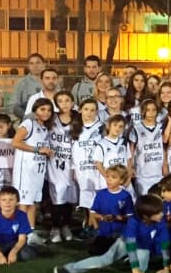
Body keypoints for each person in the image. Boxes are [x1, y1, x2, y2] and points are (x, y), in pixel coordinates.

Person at [54, 194, 170, 273]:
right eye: (158, 212)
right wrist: (135, 269)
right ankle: (69, 269)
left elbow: (164, 243)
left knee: (142, 270)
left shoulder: (161, 221)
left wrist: (166, 267)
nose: (162, 214)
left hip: (143, 247)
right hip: (126, 242)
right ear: (146, 215)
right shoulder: (133, 222)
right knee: (106, 259)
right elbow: (131, 244)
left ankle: (129, 260)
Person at [12, 98, 54, 245]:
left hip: (37, 171)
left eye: (49, 110)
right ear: (35, 110)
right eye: (42, 109)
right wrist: (37, 149)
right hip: (26, 170)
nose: (46, 113)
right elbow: (16, 142)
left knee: (32, 203)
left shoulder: (44, 128)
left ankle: (30, 232)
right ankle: (20, 234)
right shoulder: (29, 123)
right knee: (23, 203)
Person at [47, 92, 77, 243]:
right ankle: (55, 227)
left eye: (67, 100)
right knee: (56, 194)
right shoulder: (51, 119)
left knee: (70, 196)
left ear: (72, 102)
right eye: (60, 101)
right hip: (55, 163)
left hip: (73, 163)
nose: (64, 104)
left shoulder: (78, 119)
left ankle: (66, 225)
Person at [0, 186, 36, 264]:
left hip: (15, 244)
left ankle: (11, 255)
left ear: (17, 202)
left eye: (11, 200)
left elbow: (22, 239)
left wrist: (13, 252)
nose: (7, 202)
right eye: (3, 200)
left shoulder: (22, 215)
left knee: (27, 255)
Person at [71, 99, 104, 236]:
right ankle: (89, 225)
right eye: (86, 109)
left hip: (97, 168)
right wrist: (73, 169)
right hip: (81, 168)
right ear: (80, 110)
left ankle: (95, 226)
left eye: (92, 110)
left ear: (97, 112)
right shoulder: (75, 128)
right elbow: (72, 150)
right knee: (86, 196)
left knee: (98, 197)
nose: (89, 113)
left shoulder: (101, 127)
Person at [88, 165, 135, 256]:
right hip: (104, 233)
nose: (109, 180)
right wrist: (102, 217)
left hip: (120, 233)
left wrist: (118, 217)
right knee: (94, 251)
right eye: (107, 177)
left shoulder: (125, 196)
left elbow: (130, 216)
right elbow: (93, 213)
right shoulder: (101, 194)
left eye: (113, 177)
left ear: (121, 180)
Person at [132, 99, 164, 195]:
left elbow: (167, 147)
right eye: (148, 110)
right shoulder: (136, 128)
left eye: (153, 110)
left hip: (159, 173)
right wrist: (131, 167)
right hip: (143, 174)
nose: (151, 113)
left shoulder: (162, 127)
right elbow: (131, 149)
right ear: (143, 111)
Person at [11, 53, 46, 118]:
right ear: (28, 66)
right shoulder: (22, 83)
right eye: (31, 63)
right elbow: (14, 105)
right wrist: (26, 118)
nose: (35, 66)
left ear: (44, 64)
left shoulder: (51, 81)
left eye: (38, 63)